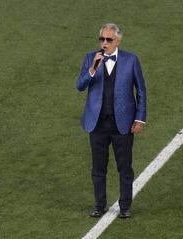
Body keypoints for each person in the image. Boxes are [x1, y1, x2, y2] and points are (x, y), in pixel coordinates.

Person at [76, 23, 147, 219]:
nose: (104, 43)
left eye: (108, 39)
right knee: (98, 168)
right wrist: (91, 70)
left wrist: (140, 119)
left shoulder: (131, 60)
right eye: (102, 39)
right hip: (97, 124)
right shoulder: (91, 58)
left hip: (122, 123)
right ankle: (99, 205)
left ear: (118, 41)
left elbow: (140, 90)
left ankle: (125, 206)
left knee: (124, 167)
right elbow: (80, 86)